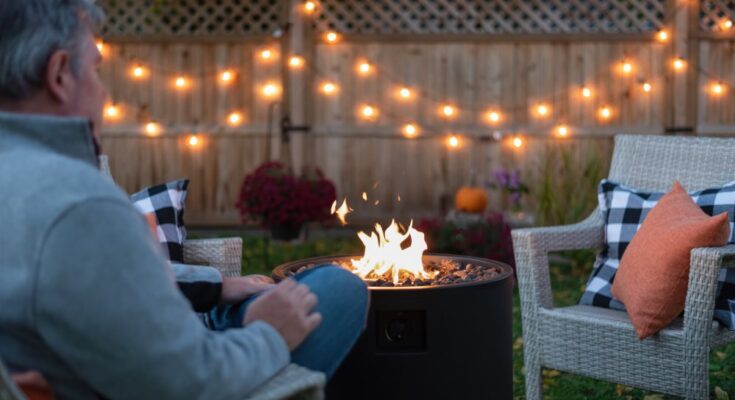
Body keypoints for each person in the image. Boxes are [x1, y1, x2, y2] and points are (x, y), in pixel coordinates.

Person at [0, 1, 369, 399]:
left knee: (274, 295)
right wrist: (270, 333)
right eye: (96, 70)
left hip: (134, 349)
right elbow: (189, 383)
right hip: (195, 373)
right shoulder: (80, 204)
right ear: (58, 75)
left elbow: (78, 279)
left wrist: (213, 285)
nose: (104, 93)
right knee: (336, 286)